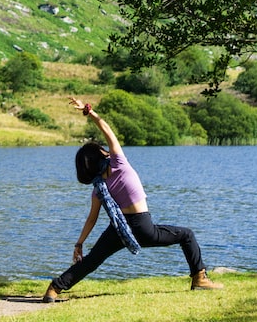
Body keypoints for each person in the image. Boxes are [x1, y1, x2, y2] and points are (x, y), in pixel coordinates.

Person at [42, 98, 223, 301]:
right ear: (101, 154)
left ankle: (54, 288)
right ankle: (199, 278)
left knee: (92, 260)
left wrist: (79, 243)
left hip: (117, 230)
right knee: (186, 235)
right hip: (142, 226)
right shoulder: (119, 163)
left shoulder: (98, 189)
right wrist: (89, 111)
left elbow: (91, 219)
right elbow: (107, 129)